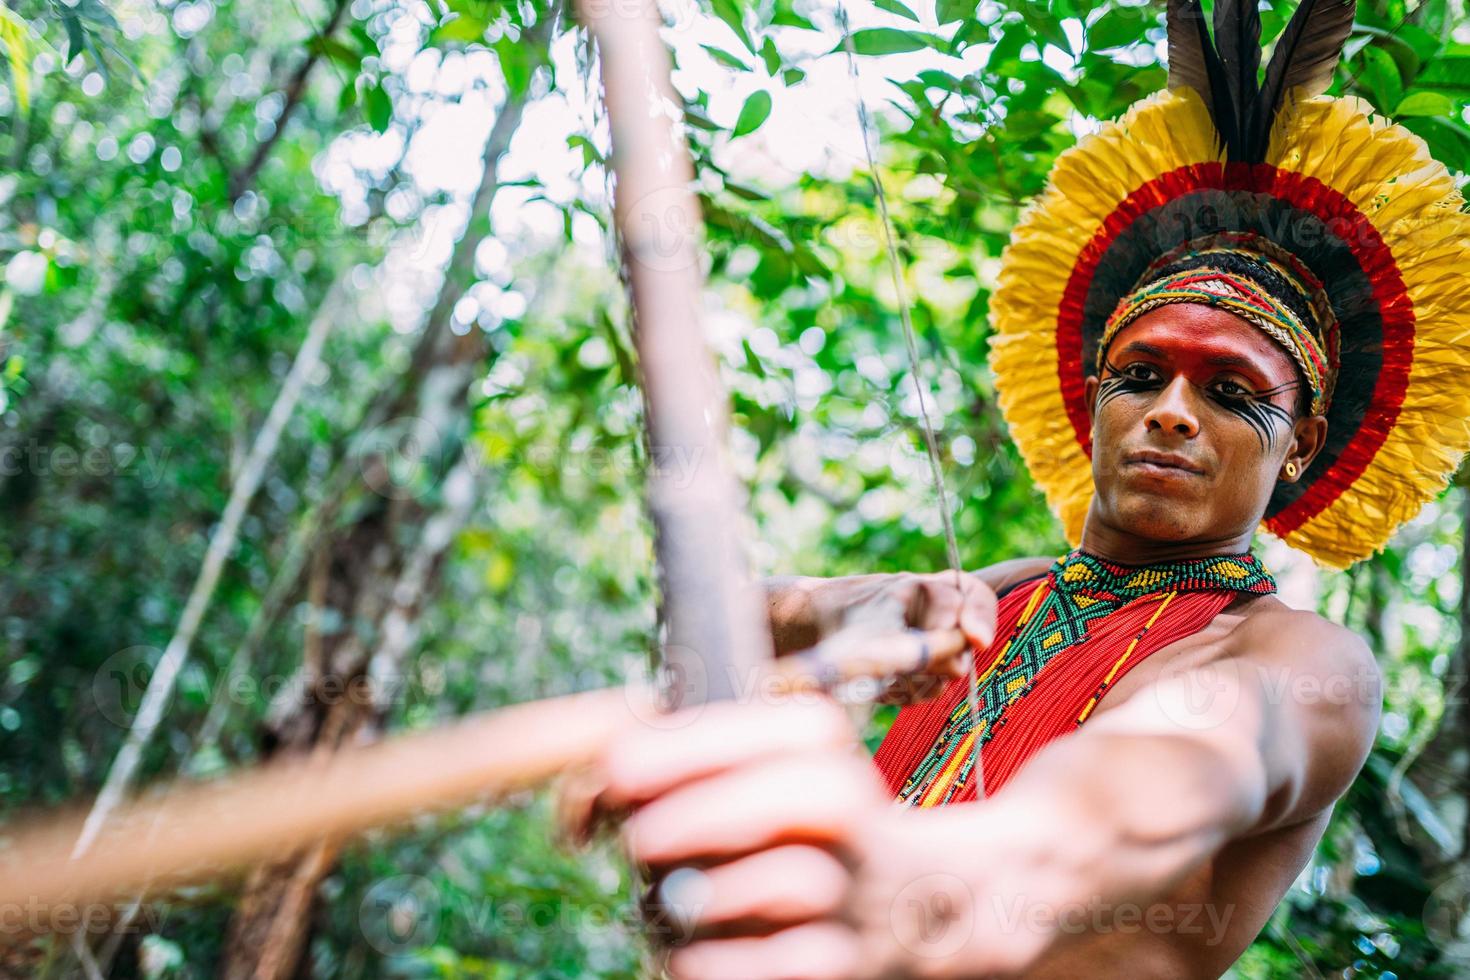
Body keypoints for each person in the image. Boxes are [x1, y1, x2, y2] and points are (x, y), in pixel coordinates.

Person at [568, 0, 1470, 976]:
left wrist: (912, 877)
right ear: (1092, 403)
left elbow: (1174, 770)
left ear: (1300, 447)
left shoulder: (1300, 658)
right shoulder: (1009, 592)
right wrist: (860, 607)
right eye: (1139, 374)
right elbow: (713, 624)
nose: (1170, 410)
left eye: (1233, 393)